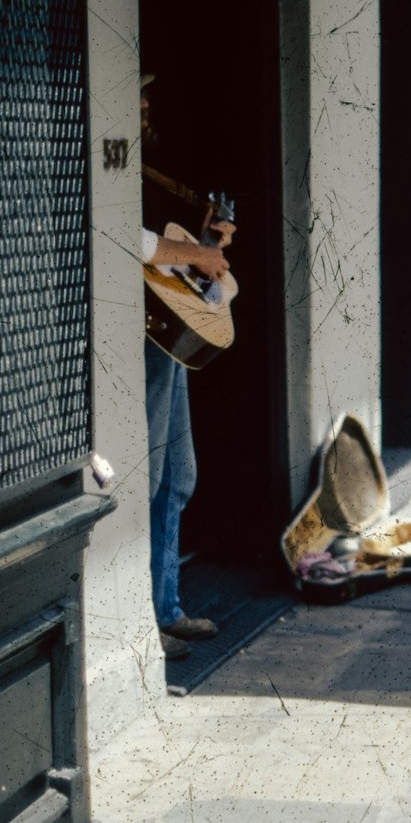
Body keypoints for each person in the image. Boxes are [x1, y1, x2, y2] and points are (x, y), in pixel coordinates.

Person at [140, 77, 234, 661]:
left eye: (149, 93)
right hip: (136, 333)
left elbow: (206, 275)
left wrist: (209, 243)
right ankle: (148, 619)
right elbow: (128, 240)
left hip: (165, 332)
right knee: (151, 473)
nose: (147, 103)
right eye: (137, 93)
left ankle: (166, 607)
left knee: (177, 473)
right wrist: (199, 255)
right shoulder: (105, 156)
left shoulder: (148, 165)